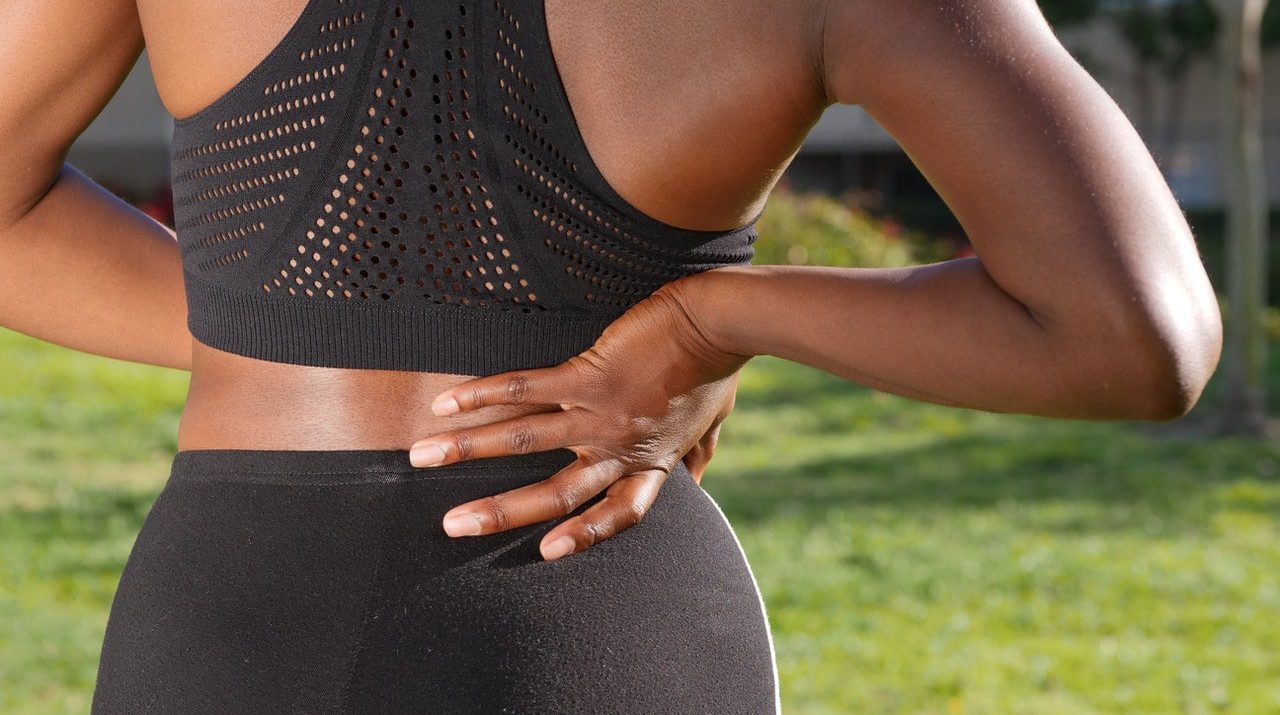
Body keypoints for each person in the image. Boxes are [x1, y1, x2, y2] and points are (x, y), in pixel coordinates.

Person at [0, 0, 1222, 712]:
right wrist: (709, 322)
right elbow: (1132, 332)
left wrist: (280, 341)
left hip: (229, 614)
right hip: (594, 615)